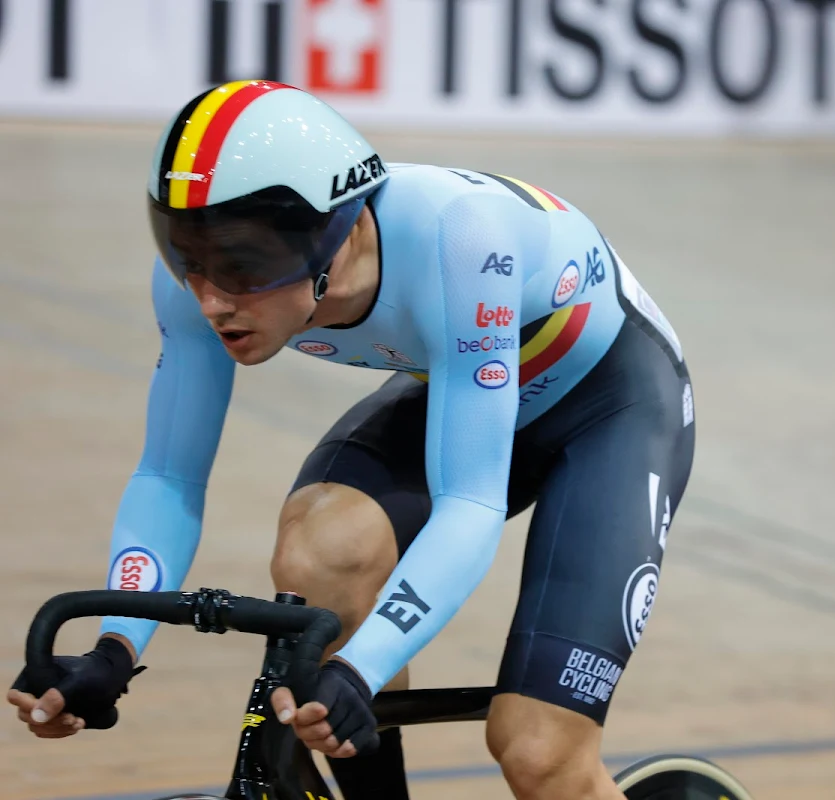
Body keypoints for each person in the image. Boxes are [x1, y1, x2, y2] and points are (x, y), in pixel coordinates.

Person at [6, 79, 696, 800]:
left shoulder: (463, 241)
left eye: (242, 262)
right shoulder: (200, 281)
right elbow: (168, 479)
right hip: (469, 384)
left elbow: (469, 506)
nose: (210, 297)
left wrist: (359, 669)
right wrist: (116, 647)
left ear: (331, 235)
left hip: (610, 409)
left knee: (537, 753)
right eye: (189, 255)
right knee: (321, 552)